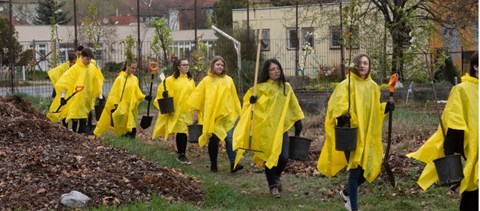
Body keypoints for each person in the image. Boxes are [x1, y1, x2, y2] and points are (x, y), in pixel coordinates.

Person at [317, 54, 393, 211]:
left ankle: (346, 193)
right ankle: (354, 207)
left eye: (366, 63)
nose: (363, 66)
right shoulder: (346, 85)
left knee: (369, 168)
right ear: (354, 65)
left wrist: (385, 107)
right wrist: (343, 114)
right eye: (359, 63)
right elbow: (337, 105)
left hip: (367, 135)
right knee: (355, 168)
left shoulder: (373, 87)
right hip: (351, 134)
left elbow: (373, 110)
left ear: (369, 66)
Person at [407, 53, 478, 211]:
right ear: (476, 67)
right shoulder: (461, 89)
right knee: (472, 191)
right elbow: (454, 120)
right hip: (471, 147)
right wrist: (450, 150)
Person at [232, 58, 304, 198]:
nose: (276, 71)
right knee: (270, 156)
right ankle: (273, 187)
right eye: (272, 69)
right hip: (266, 129)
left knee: (283, 157)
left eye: (278, 68)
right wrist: (251, 101)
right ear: (267, 72)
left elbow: (293, 105)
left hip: (281, 129)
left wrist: (298, 121)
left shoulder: (286, 87)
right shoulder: (260, 88)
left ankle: (276, 176)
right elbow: (248, 102)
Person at [187, 56, 242, 173]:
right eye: (218, 64)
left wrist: (238, 112)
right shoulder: (207, 80)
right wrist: (195, 113)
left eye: (222, 65)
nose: (220, 67)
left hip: (226, 116)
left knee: (230, 139)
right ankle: (213, 164)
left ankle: (233, 164)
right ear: (213, 66)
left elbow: (234, 97)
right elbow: (198, 96)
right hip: (213, 117)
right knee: (214, 140)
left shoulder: (229, 80)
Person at [47, 48, 104, 134]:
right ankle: (73, 131)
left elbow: (97, 82)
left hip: (87, 97)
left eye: (90, 59)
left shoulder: (92, 68)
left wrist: (100, 96)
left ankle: (81, 131)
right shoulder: (75, 69)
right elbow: (66, 82)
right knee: (74, 115)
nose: (88, 61)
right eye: (87, 59)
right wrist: (62, 97)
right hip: (76, 97)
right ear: (81, 57)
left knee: (84, 115)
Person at [152, 58, 196, 164]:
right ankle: (181, 155)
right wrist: (164, 95)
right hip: (176, 110)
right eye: (184, 65)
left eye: (187, 64)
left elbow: (194, 94)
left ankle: (181, 153)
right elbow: (162, 89)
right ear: (178, 67)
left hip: (187, 111)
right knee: (181, 132)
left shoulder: (190, 80)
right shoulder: (170, 80)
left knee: (183, 132)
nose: (186, 66)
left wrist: (196, 109)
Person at [94, 60, 147, 139]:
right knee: (126, 128)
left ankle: (128, 144)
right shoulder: (120, 79)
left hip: (131, 108)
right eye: (132, 68)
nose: (134, 70)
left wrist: (145, 97)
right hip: (122, 108)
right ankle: (125, 142)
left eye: (135, 68)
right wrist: (115, 104)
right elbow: (114, 93)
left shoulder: (135, 79)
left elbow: (137, 92)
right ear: (127, 66)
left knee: (132, 128)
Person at [47, 53, 76, 128]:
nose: (74, 64)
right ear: (69, 61)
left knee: (71, 108)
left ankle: (71, 127)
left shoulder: (75, 68)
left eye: (75, 62)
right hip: (62, 89)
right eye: (73, 62)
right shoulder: (63, 67)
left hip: (70, 91)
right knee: (62, 108)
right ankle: (64, 125)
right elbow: (54, 73)